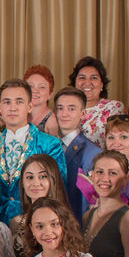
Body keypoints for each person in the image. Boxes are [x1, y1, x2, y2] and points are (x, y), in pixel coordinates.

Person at [0, 79, 68, 221]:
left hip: (35, 221)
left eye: (19, 102)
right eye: (7, 102)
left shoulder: (49, 144)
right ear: (0, 107)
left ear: (29, 107)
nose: (13, 108)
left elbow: (58, 189)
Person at [7, 154, 70, 257]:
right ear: (22, 182)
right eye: (30, 177)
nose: (36, 183)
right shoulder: (16, 222)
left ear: (53, 179)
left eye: (43, 176)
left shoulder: (64, 219)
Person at [54, 87, 103, 218]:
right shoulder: (49, 146)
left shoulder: (93, 153)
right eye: (60, 108)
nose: (64, 114)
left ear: (83, 113)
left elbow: (89, 199)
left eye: (71, 109)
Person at [68, 56, 124, 147]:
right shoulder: (65, 109)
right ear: (74, 83)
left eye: (94, 78)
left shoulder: (113, 108)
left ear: (102, 85)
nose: (87, 82)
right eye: (82, 77)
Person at [23, 65, 57, 135]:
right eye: (31, 86)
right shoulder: (22, 114)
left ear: (50, 94)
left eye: (42, 87)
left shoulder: (52, 122)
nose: (35, 91)